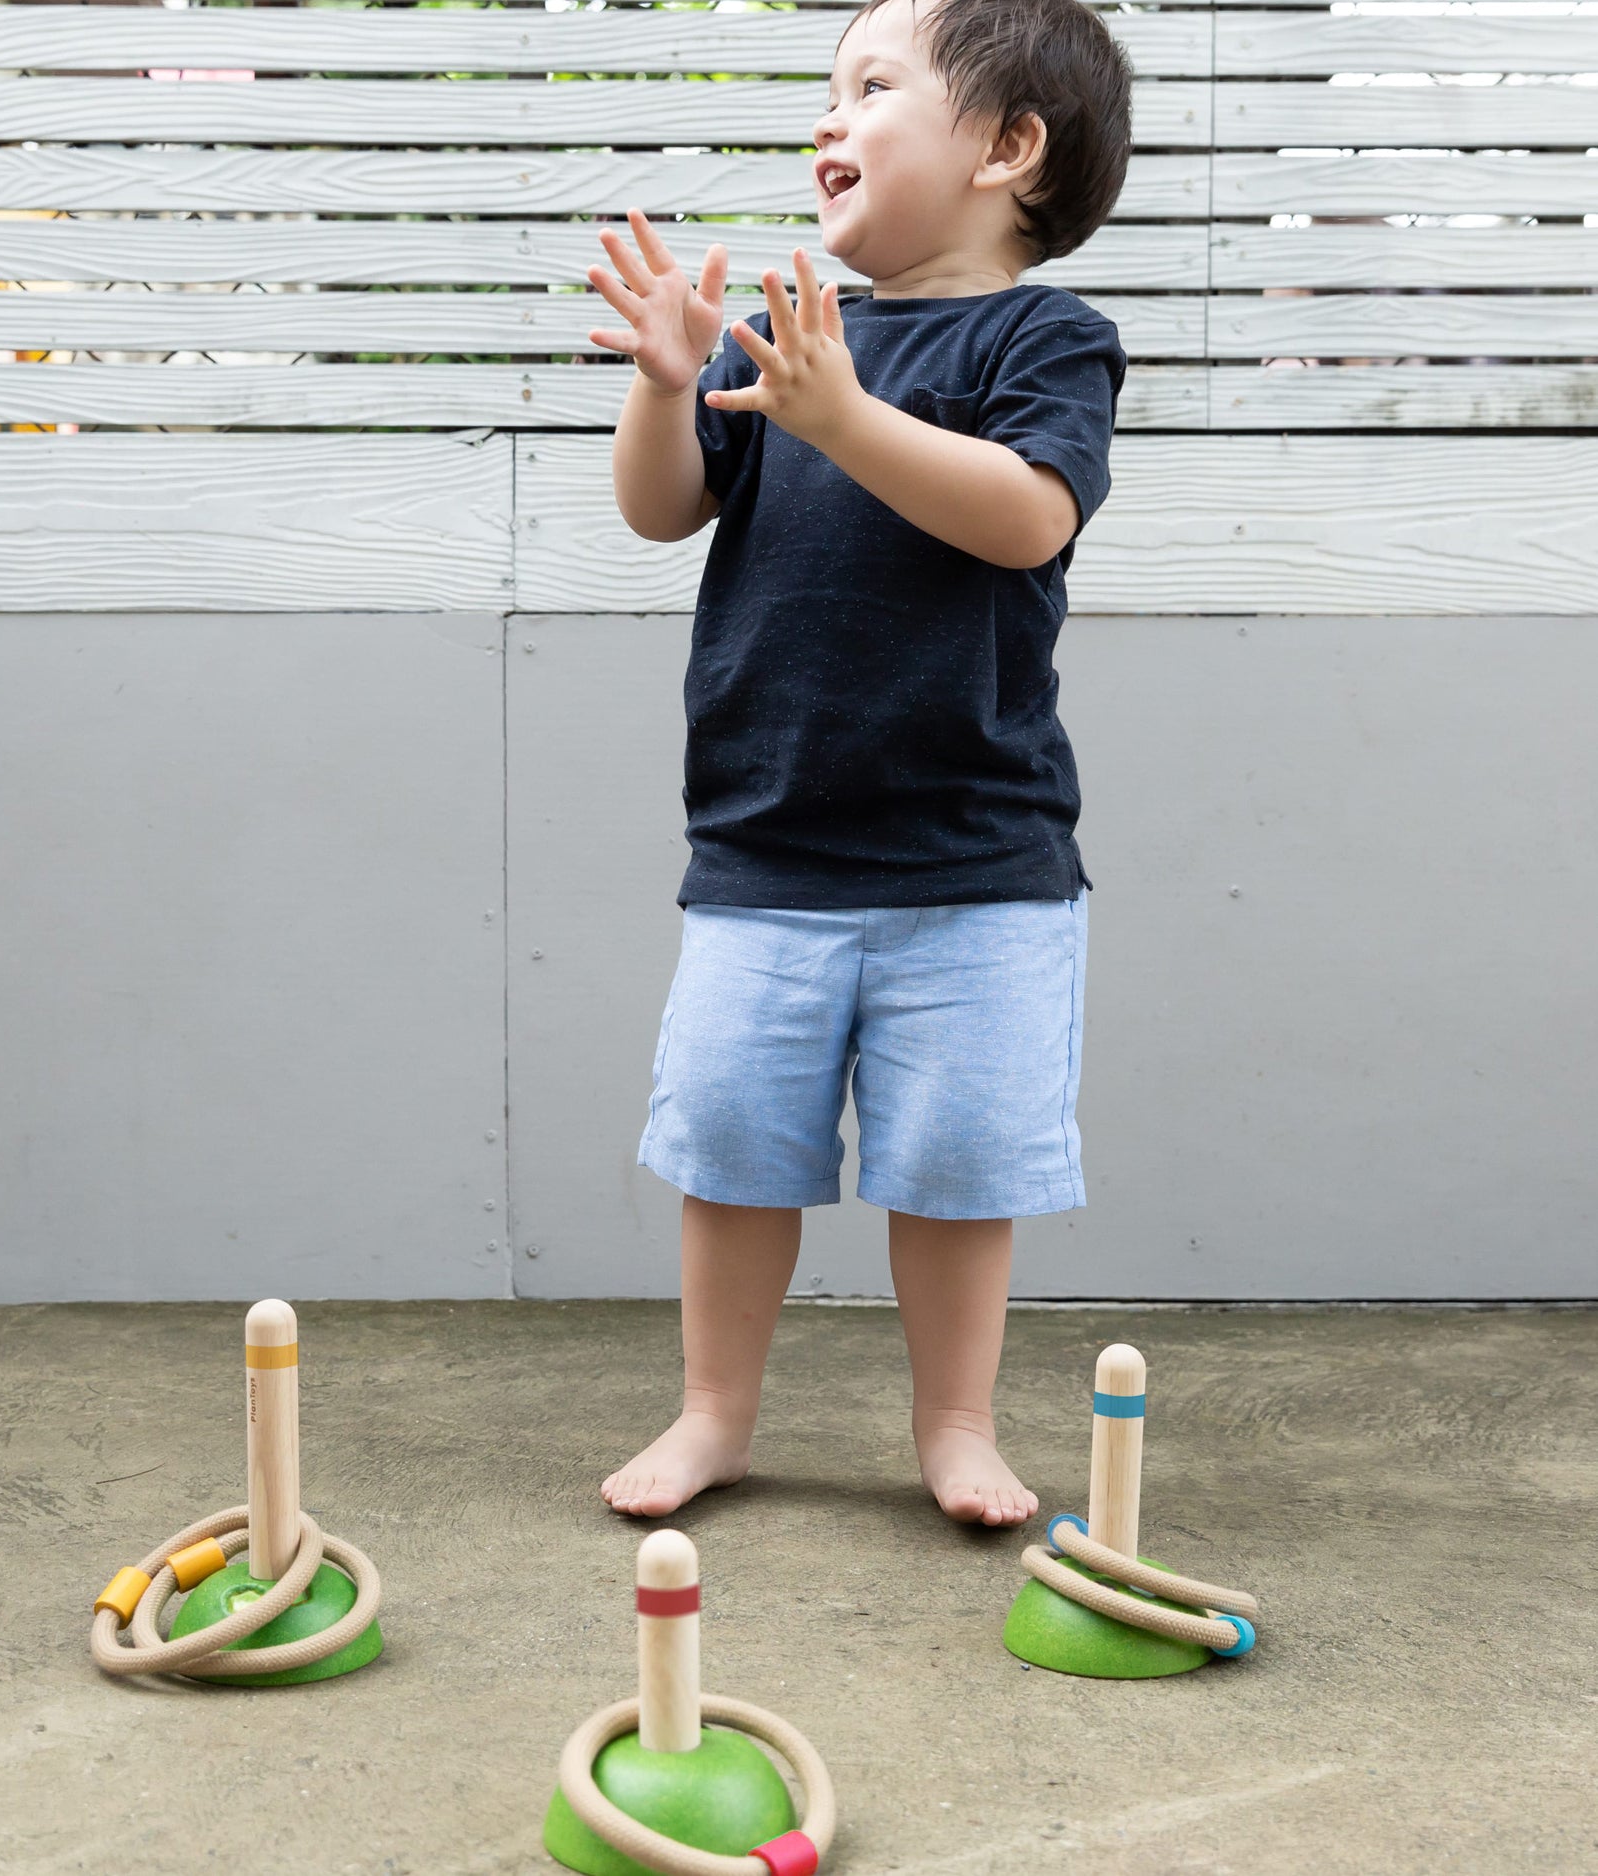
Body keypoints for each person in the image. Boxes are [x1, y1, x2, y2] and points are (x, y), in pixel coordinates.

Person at [586, 0, 1132, 1526]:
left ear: (1006, 151)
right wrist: (662, 376)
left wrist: (844, 418)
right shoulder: (782, 344)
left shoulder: (1040, 337)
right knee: (733, 1148)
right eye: (827, 92)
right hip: (765, 851)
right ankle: (713, 1412)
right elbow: (660, 510)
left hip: (976, 864)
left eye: (872, 87)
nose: (828, 120)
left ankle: (955, 1424)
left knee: (958, 1169)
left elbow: (1026, 516)